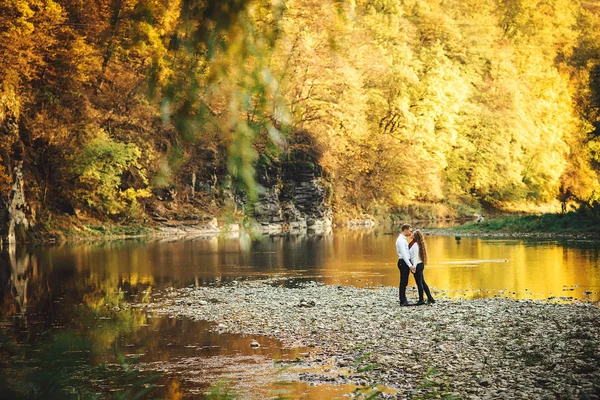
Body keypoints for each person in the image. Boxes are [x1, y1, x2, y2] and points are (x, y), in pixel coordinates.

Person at [409, 230, 435, 305]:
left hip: (417, 265)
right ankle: (430, 298)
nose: (411, 234)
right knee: (422, 282)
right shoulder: (416, 244)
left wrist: (413, 267)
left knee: (419, 283)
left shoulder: (414, 245)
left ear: (415, 236)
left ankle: (421, 300)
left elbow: (415, 257)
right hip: (419, 264)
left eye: (412, 234)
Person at [396, 224, 415, 306]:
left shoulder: (403, 239)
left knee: (404, 281)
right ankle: (403, 301)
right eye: (410, 231)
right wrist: (410, 265)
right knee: (403, 282)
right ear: (406, 230)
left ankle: (403, 300)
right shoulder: (400, 240)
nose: (410, 232)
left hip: (404, 261)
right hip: (403, 262)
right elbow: (404, 254)